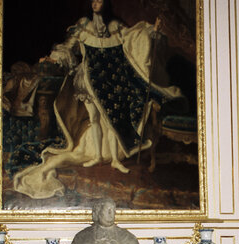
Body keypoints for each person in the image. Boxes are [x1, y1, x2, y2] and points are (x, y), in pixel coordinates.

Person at [13, 0, 184, 199]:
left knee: (112, 119)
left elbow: (133, 40)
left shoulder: (115, 26)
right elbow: (68, 47)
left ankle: (114, 160)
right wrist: (53, 58)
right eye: (93, 1)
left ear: (105, 4)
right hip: (86, 78)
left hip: (110, 80)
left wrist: (152, 32)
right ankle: (96, 156)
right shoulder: (83, 24)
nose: (96, 4)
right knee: (94, 119)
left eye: (100, 1)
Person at [70, 197, 143, 244]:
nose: (111, 214)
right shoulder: (81, 238)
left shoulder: (128, 238)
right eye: (107, 210)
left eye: (113, 210)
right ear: (98, 211)